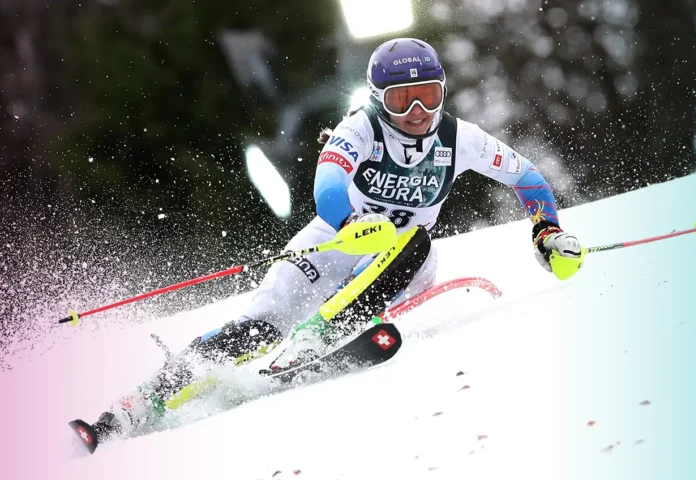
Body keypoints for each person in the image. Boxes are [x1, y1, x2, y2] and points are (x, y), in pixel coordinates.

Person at [87, 37, 582, 441]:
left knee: (415, 240)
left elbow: (529, 179)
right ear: (375, 97)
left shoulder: (461, 138)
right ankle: (136, 405)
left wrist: (547, 230)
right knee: (260, 321)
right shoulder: (360, 128)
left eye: (428, 95)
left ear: (442, 92)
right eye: (399, 99)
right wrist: (347, 223)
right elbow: (328, 181)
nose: (416, 110)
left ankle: (318, 337)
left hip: (404, 261)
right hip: (339, 239)